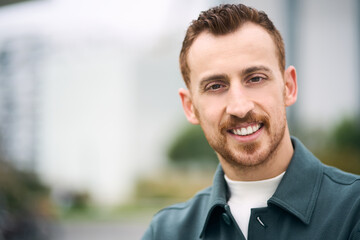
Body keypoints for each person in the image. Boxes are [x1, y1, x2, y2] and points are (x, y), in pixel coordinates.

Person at [142, 3, 360, 240]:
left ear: (289, 87)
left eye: (255, 78)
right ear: (190, 106)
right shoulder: (165, 232)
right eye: (216, 86)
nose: (239, 106)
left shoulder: (353, 211)